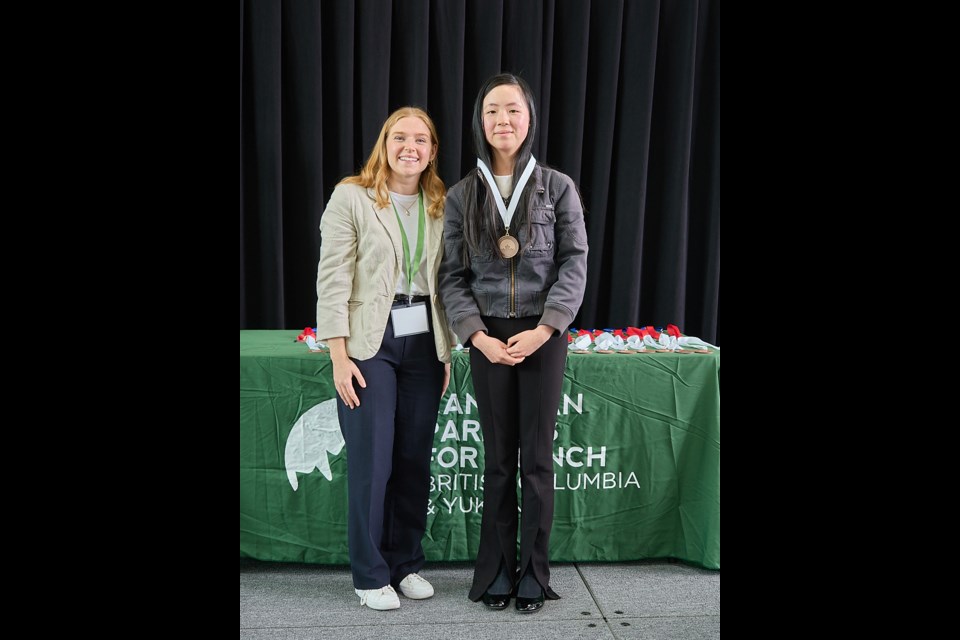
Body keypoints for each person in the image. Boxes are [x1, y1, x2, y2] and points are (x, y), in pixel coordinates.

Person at [439, 74, 588, 613]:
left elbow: (574, 262)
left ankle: (535, 572)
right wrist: (476, 336)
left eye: (513, 110)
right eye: (492, 111)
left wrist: (547, 327)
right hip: (487, 340)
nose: (503, 120)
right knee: (498, 460)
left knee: (538, 459)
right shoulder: (462, 195)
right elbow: (452, 278)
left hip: (542, 334)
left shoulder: (557, 186)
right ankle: (497, 568)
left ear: (529, 119)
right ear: (481, 122)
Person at [315, 107, 453, 611]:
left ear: (432, 150)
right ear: (384, 143)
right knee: (372, 461)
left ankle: (405, 563)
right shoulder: (351, 196)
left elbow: (448, 283)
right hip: (368, 340)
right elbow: (332, 277)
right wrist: (337, 355)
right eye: (400, 137)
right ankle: (370, 574)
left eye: (421, 139)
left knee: (413, 459)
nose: (409, 147)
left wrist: (447, 354)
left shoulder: (441, 202)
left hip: (424, 340)